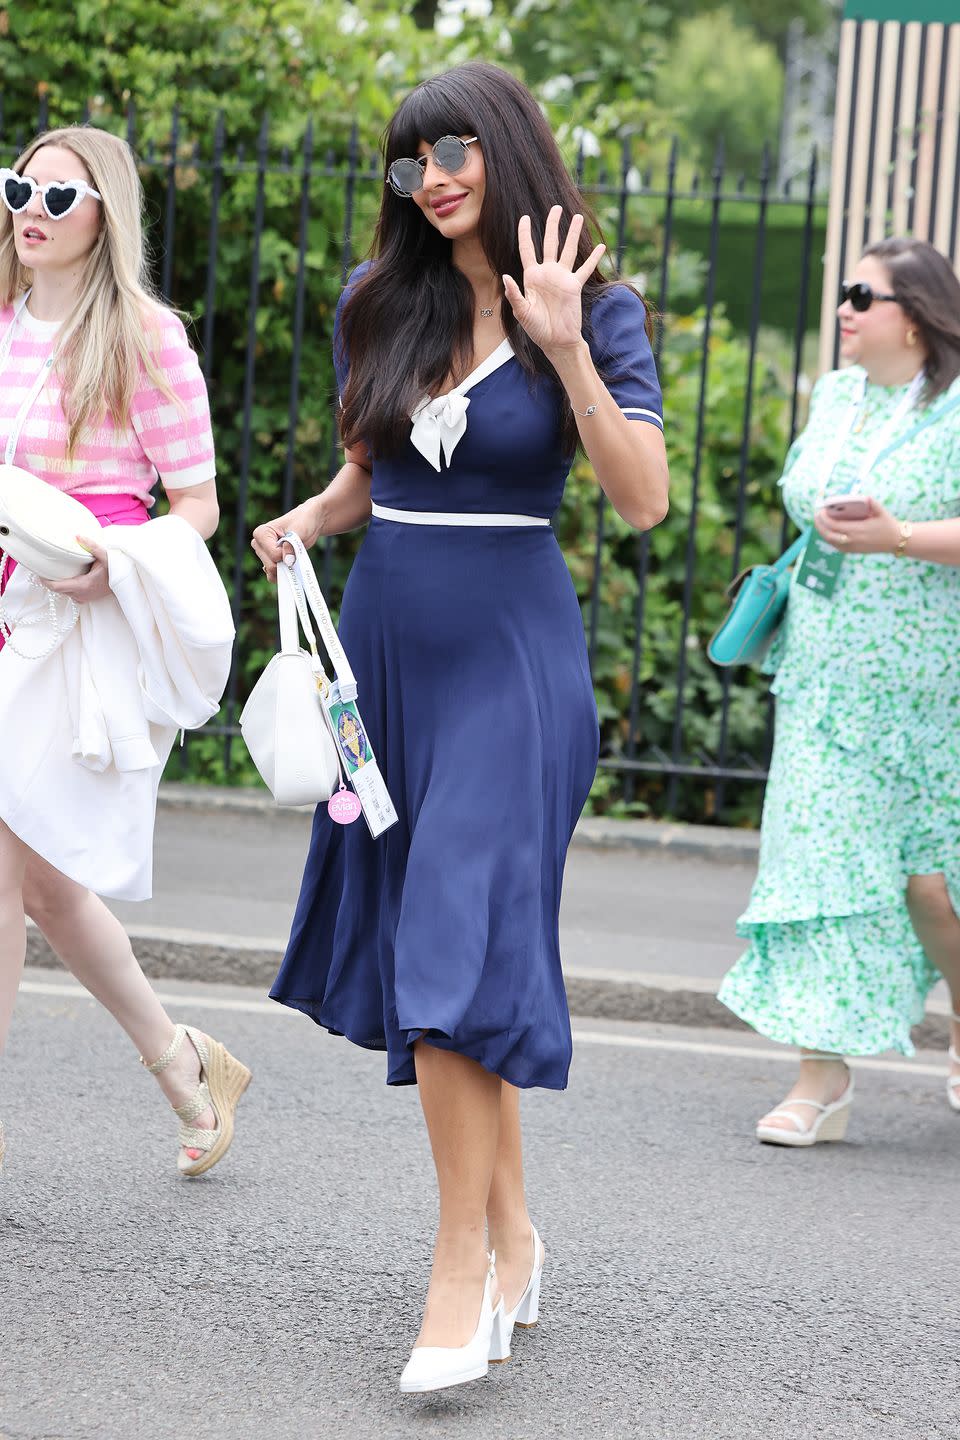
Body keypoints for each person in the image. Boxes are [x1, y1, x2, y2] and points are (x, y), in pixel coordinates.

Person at [252, 62, 668, 1392]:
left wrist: (558, 347)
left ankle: (459, 1275)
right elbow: (371, 471)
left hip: (511, 670)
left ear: (499, 145)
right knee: (454, 969)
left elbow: (643, 499)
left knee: (449, 948)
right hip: (384, 662)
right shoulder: (378, 300)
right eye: (407, 160)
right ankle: (516, 1232)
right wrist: (308, 520)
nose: (429, 177)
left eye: (449, 150)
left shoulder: (598, 303)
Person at [0, 127, 250, 1176]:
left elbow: (196, 501)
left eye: (62, 196)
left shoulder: (145, 337)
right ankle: (184, 1064)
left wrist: (118, 559)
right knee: (49, 890)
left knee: (9, 876)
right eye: (21, 188)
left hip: (69, 623)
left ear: (107, 214)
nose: (34, 210)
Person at [718, 237, 960, 1145]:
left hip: (932, 685)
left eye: (866, 293)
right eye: (845, 291)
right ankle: (820, 1080)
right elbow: (805, 488)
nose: (846, 308)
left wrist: (899, 536)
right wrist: (821, 514)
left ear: (919, 312)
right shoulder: (835, 394)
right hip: (824, 676)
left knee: (930, 889)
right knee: (820, 870)